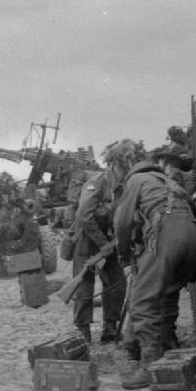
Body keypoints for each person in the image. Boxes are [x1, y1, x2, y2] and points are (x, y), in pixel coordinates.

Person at [113, 150, 196, 389]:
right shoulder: (166, 179)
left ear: (127, 167)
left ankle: (150, 364)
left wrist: (124, 256)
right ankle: (168, 343)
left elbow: (122, 223)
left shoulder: (136, 180)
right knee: (167, 289)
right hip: (193, 232)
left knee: (142, 301)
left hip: (167, 233)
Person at [69, 139, 145, 343]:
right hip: (88, 243)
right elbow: (84, 215)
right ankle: (83, 331)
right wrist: (103, 244)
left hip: (110, 245)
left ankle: (110, 328)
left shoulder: (124, 187)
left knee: (117, 285)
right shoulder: (97, 183)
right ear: (115, 164)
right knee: (84, 287)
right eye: (124, 165)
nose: (126, 170)